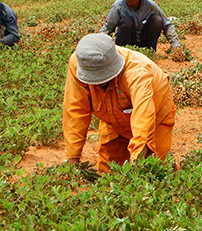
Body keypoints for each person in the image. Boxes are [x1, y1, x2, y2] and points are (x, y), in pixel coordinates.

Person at [63, 34, 176, 173]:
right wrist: (73, 157)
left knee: (155, 171)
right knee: (108, 172)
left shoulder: (137, 73)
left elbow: (144, 117)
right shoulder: (80, 61)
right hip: (113, 117)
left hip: (154, 113)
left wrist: (137, 162)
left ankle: (162, 156)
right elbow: (75, 109)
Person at [100, 0, 182, 50]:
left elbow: (167, 25)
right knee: (127, 21)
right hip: (125, 41)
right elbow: (108, 27)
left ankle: (150, 51)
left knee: (157, 20)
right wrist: (98, 42)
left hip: (144, 41)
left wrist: (175, 45)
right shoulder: (118, 6)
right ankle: (126, 51)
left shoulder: (151, 6)